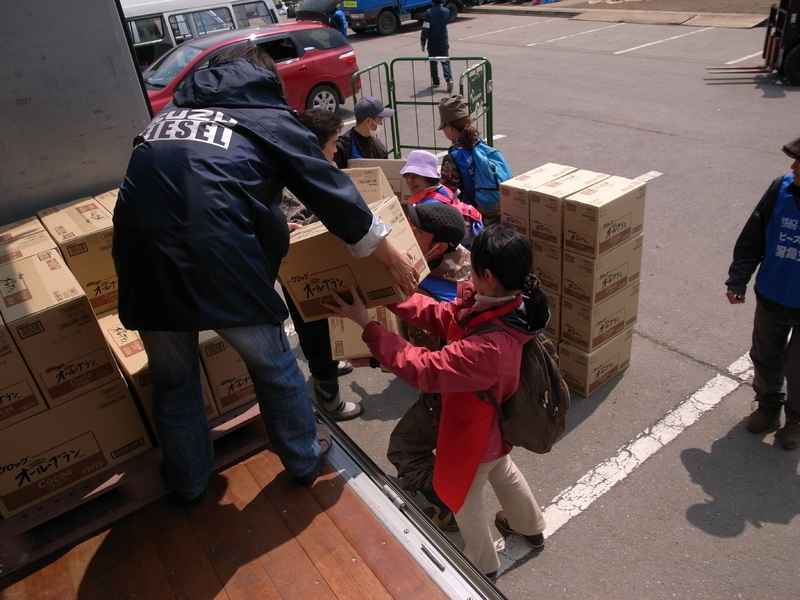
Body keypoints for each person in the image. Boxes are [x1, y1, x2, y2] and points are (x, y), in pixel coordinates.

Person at [112, 45, 418, 505]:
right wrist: (389, 253)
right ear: (264, 81)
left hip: (140, 257)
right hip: (218, 258)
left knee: (174, 381)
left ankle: (189, 482)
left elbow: (203, 185)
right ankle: (301, 458)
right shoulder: (266, 118)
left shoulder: (166, 119)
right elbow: (328, 188)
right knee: (273, 366)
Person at [328, 225, 549, 580]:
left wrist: (369, 327)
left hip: (472, 434)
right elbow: (443, 317)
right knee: (502, 470)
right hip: (495, 424)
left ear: (487, 276)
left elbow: (425, 369)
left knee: (462, 498)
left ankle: (484, 565)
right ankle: (530, 526)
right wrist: (386, 296)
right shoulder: (509, 306)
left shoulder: (487, 347)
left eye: (473, 269)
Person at [386, 202, 471, 531]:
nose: (406, 233)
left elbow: (426, 366)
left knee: (405, 447)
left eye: (416, 231)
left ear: (437, 247)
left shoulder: (433, 293)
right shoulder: (464, 261)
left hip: (447, 393)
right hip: (478, 390)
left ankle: (445, 507)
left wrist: (378, 344)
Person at [280, 108, 362, 420]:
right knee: (315, 333)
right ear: (314, 147)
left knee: (330, 323)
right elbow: (300, 230)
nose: (337, 148)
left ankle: (332, 361)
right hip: (304, 272)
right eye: (333, 142)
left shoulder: (310, 169)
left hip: (320, 267)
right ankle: (330, 402)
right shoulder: (295, 179)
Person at [726, 135, 800, 451]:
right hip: (772, 295)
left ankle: (795, 419)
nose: (793, 165)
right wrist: (737, 280)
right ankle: (769, 404)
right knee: (765, 354)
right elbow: (753, 236)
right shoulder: (780, 188)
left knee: (799, 365)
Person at [438, 95, 504, 225]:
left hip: (471, 219)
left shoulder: (453, 157)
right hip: (493, 211)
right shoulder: (479, 143)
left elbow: (447, 192)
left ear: (450, 127)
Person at [400, 149, 484, 246]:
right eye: (407, 176)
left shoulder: (425, 207)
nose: (410, 181)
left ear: (428, 177)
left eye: (414, 176)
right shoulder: (443, 189)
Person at [332, 96, 394, 168]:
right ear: (369, 121)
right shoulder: (341, 148)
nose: (381, 124)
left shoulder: (379, 148)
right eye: (380, 121)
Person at [421, 0, 453, 92]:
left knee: (433, 61)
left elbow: (425, 29)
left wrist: (423, 42)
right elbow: (447, 21)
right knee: (445, 60)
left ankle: (436, 80)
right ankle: (449, 79)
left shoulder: (428, 12)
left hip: (432, 41)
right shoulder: (447, 11)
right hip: (443, 39)